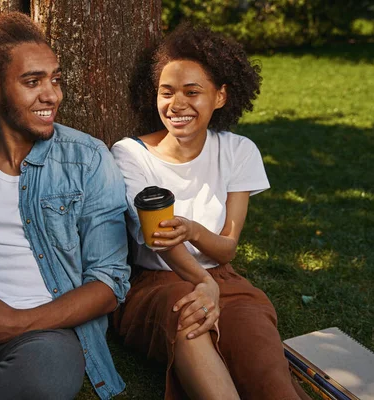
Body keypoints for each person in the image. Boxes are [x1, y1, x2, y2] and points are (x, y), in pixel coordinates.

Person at [0, 5, 130, 400]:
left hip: (45, 331)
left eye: (55, 79)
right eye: (33, 82)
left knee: (41, 383)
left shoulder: (89, 159)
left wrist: (17, 323)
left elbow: (109, 283)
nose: (52, 94)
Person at [111, 24, 311, 400]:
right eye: (166, 92)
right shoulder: (129, 154)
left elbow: (226, 249)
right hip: (157, 283)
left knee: (265, 366)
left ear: (220, 96)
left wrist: (194, 234)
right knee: (189, 319)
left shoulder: (238, 151)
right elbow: (158, 239)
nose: (177, 105)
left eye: (192, 92)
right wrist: (201, 283)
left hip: (225, 280)